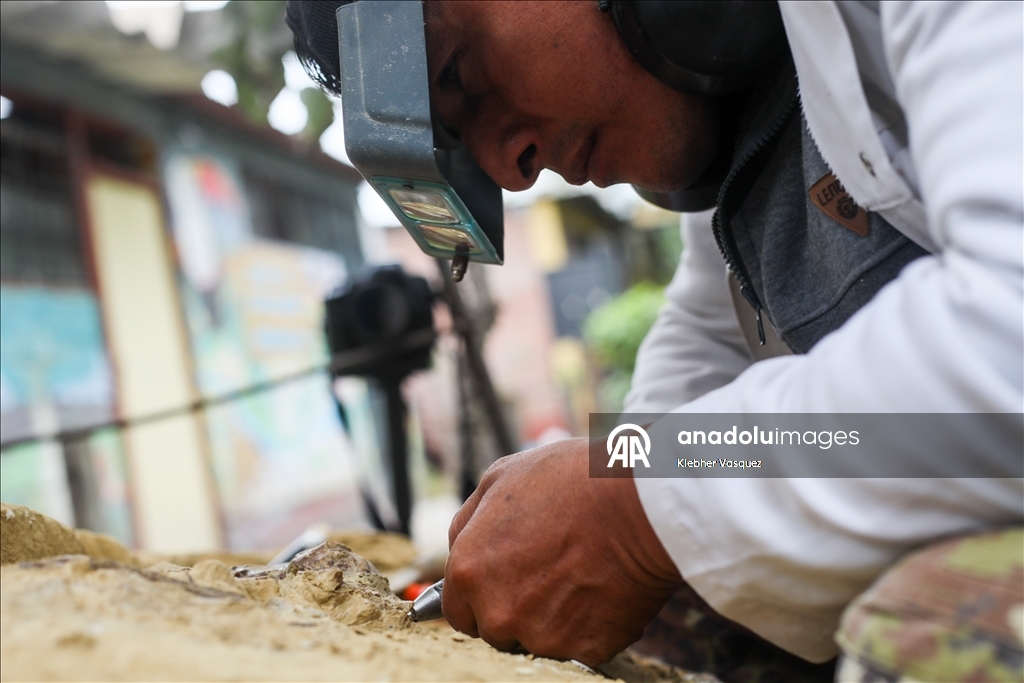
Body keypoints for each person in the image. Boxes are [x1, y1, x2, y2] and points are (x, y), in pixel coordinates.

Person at [286, 0, 1024, 678]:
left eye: (461, 75)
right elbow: (704, 350)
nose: (511, 169)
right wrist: (618, 476)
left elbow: (1007, 339)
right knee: (658, 610)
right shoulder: (752, 122)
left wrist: (636, 509)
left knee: (926, 630)